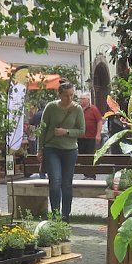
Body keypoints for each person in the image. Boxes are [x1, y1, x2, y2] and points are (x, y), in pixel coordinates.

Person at [37, 83, 84, 222]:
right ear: (59, 95)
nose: (69, 98)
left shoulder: (77, 109)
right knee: (55, 181)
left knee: (67, 183)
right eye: (66, 95)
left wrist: (67, 132)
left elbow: (82, 131)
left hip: (70, 150)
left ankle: (65, 216)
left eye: (71, 95)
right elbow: (43, 129)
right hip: (52, 149)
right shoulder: (51, 107)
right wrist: (40, 149)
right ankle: (56, 215)